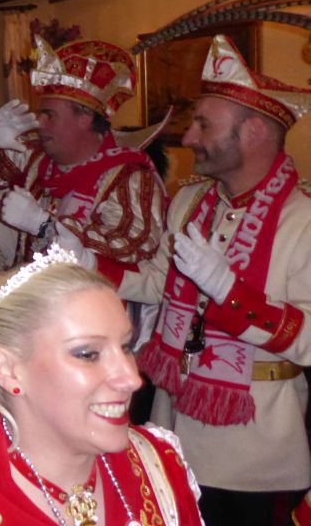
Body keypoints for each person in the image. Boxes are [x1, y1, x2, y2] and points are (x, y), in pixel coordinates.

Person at [112, 35, 311, 526]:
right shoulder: (189, 202)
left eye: (204, 123)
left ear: (255, 130)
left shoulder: (304, 220)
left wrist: (230, 293)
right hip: (171, 429)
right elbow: (157, 283)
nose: (188, 138)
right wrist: (87, 265)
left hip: (254, 455)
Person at [0, 246, 203, 525]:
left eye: (126, 347)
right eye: (88, 354)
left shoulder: (158, 464)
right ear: (9, 370)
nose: (131, 379)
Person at [0, 36, 166, 277]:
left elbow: (131, 247)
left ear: (84, 118)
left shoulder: (128, 176)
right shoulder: (37, 157)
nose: (39, 122)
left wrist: (46, 225)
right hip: (35, 292)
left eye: (49, 114)